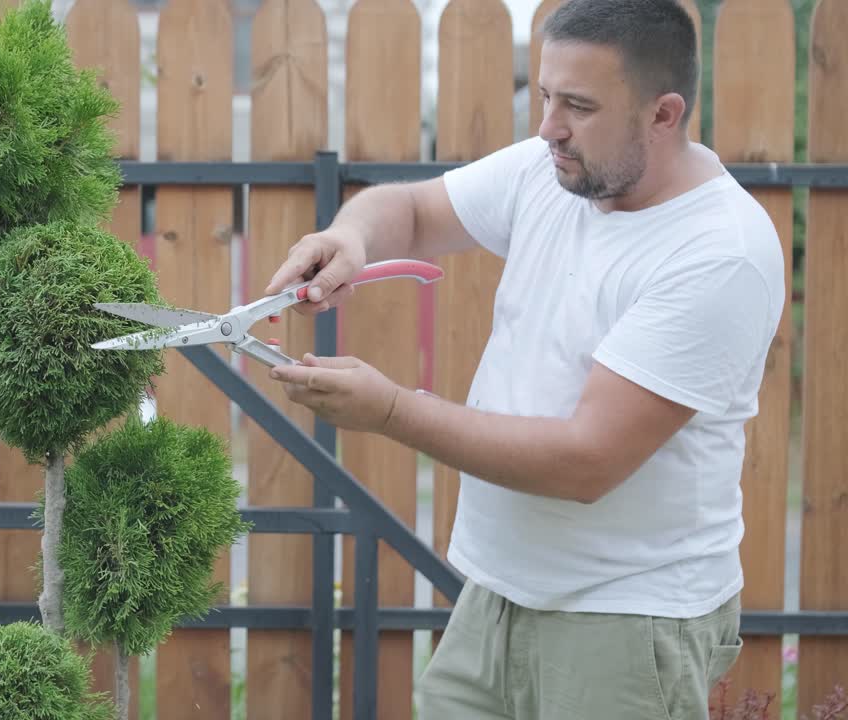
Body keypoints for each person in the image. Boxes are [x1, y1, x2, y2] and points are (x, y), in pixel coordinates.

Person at [264, 0, 785, 717]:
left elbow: (586, 462)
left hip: (625, 621)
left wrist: (389, 410)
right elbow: (413, 210)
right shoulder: (554, 172)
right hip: (495, 595)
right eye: (545, 96)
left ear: (664, 114)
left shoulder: (718, 253)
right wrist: (351, 236)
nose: (548, 127)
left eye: (578, 104)